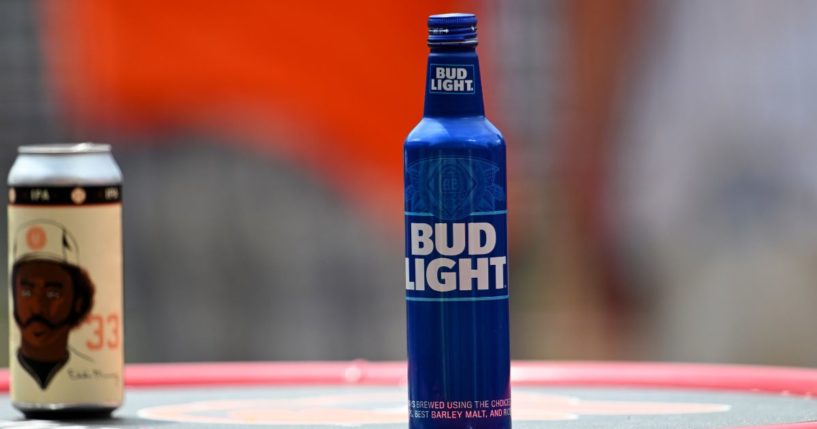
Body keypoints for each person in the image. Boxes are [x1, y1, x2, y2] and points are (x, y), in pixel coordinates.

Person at [11, 221, 95, 389]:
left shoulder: (92, 374)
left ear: (77, 302)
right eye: (26, 292)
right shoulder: (19, 380)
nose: (37, 307)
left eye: (53, 294)